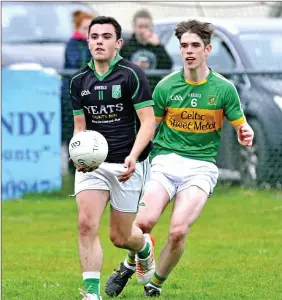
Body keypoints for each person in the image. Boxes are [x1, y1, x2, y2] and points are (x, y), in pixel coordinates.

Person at [105, 19, 254, 298]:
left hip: (201, 168)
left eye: (195, 45)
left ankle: (155, 285)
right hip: (165, 163)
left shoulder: (223, 89)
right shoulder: (166, 87)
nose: (189, 50)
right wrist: (133, 157)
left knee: (177, 231)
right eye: (184, 45)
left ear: (207, 49)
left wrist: (245, 131)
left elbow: (241, 125)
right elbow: (149, 128)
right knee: (143, 224)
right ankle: (129, 264)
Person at [69, 16, 156, 300]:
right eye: (94, 37)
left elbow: (147, 122)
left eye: (106, 37)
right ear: (89, 41)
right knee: (85, 223)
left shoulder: (132, 75)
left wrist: (133, 156)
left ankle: (142, 248)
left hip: (126, 164)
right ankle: (91, 293)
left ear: (118, 43)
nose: (99, 42)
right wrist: (77, 150)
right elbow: (80, 128)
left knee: (120, 238)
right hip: (93, 165)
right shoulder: (78, 81)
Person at [61, 10, 94, 173]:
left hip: (90, 95)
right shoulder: (73, 44)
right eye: (85, 28)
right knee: (73, 132)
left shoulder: (94, 44)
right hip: (73, 96)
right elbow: (77, 64)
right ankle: (73, 169)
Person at [121, 9, 172, 90]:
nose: (143, 30)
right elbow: (120, 69)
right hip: (133, 91)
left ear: (151, 27)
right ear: (134, 28)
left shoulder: (156, 46)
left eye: (146, 27)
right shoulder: (127, 46)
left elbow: (168, 65)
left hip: (153, 90)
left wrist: (159, 45)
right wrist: (135, 67)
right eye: (140, 27)